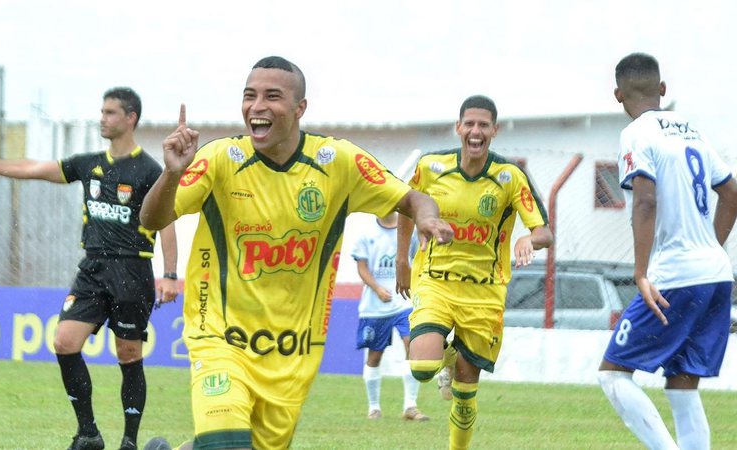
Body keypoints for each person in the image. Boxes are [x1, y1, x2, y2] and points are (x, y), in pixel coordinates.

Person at [139, 56, 453, 450]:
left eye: (272, 96)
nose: (257, 106)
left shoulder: (338, 162)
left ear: (300, 108)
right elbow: (153, 219)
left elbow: (411, 197)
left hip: (292, 352)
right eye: (250, 96)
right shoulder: (219, 159)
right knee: (227, 444)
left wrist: (427, 217)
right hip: (219, 336)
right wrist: (171, 173)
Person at [0, 87, 180, 450]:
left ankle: (129, 441)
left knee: (129, 354)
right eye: (101, 111)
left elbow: (166, 219)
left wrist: (169, 274)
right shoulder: (88, 164)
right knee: (64, 341)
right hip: (92, 268)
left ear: (130, 118)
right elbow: (37, 169)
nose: (102, 118)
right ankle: (88, 432)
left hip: (132, 271)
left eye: (110, 112)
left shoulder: (149, 170)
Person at [396, 95, 553, 449]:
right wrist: (403, 261)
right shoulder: (431, 166)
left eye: (484, 125)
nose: (476, 131)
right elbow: (406, 208)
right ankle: (447, 358)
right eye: (470, 124)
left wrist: (528, 239)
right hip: (436, 281)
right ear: (458, 128)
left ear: (494, 131)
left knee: (465, 392)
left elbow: (544, 231)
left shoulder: (509, 177)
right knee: (422, 368)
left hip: (484, 292)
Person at [597, 53, 737, 450]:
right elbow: (731, 194)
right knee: (681, 385)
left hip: (675, 275)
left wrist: (641, 273)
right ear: (662, 89)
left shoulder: (637, 133)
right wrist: (710, 246)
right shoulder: (692, 131)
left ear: (618, 95)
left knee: (612, 374)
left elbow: (645, 199)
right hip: (715, 274)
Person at [352, 211, 427, 421]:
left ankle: (410, 406)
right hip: (375, 306)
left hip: (404, 301)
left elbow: (417, 259)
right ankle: (374, 407)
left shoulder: (407, 232)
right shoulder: (365, 233)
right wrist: (376, 288)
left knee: (412, 344)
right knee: (375, 356)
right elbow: (362, 267)